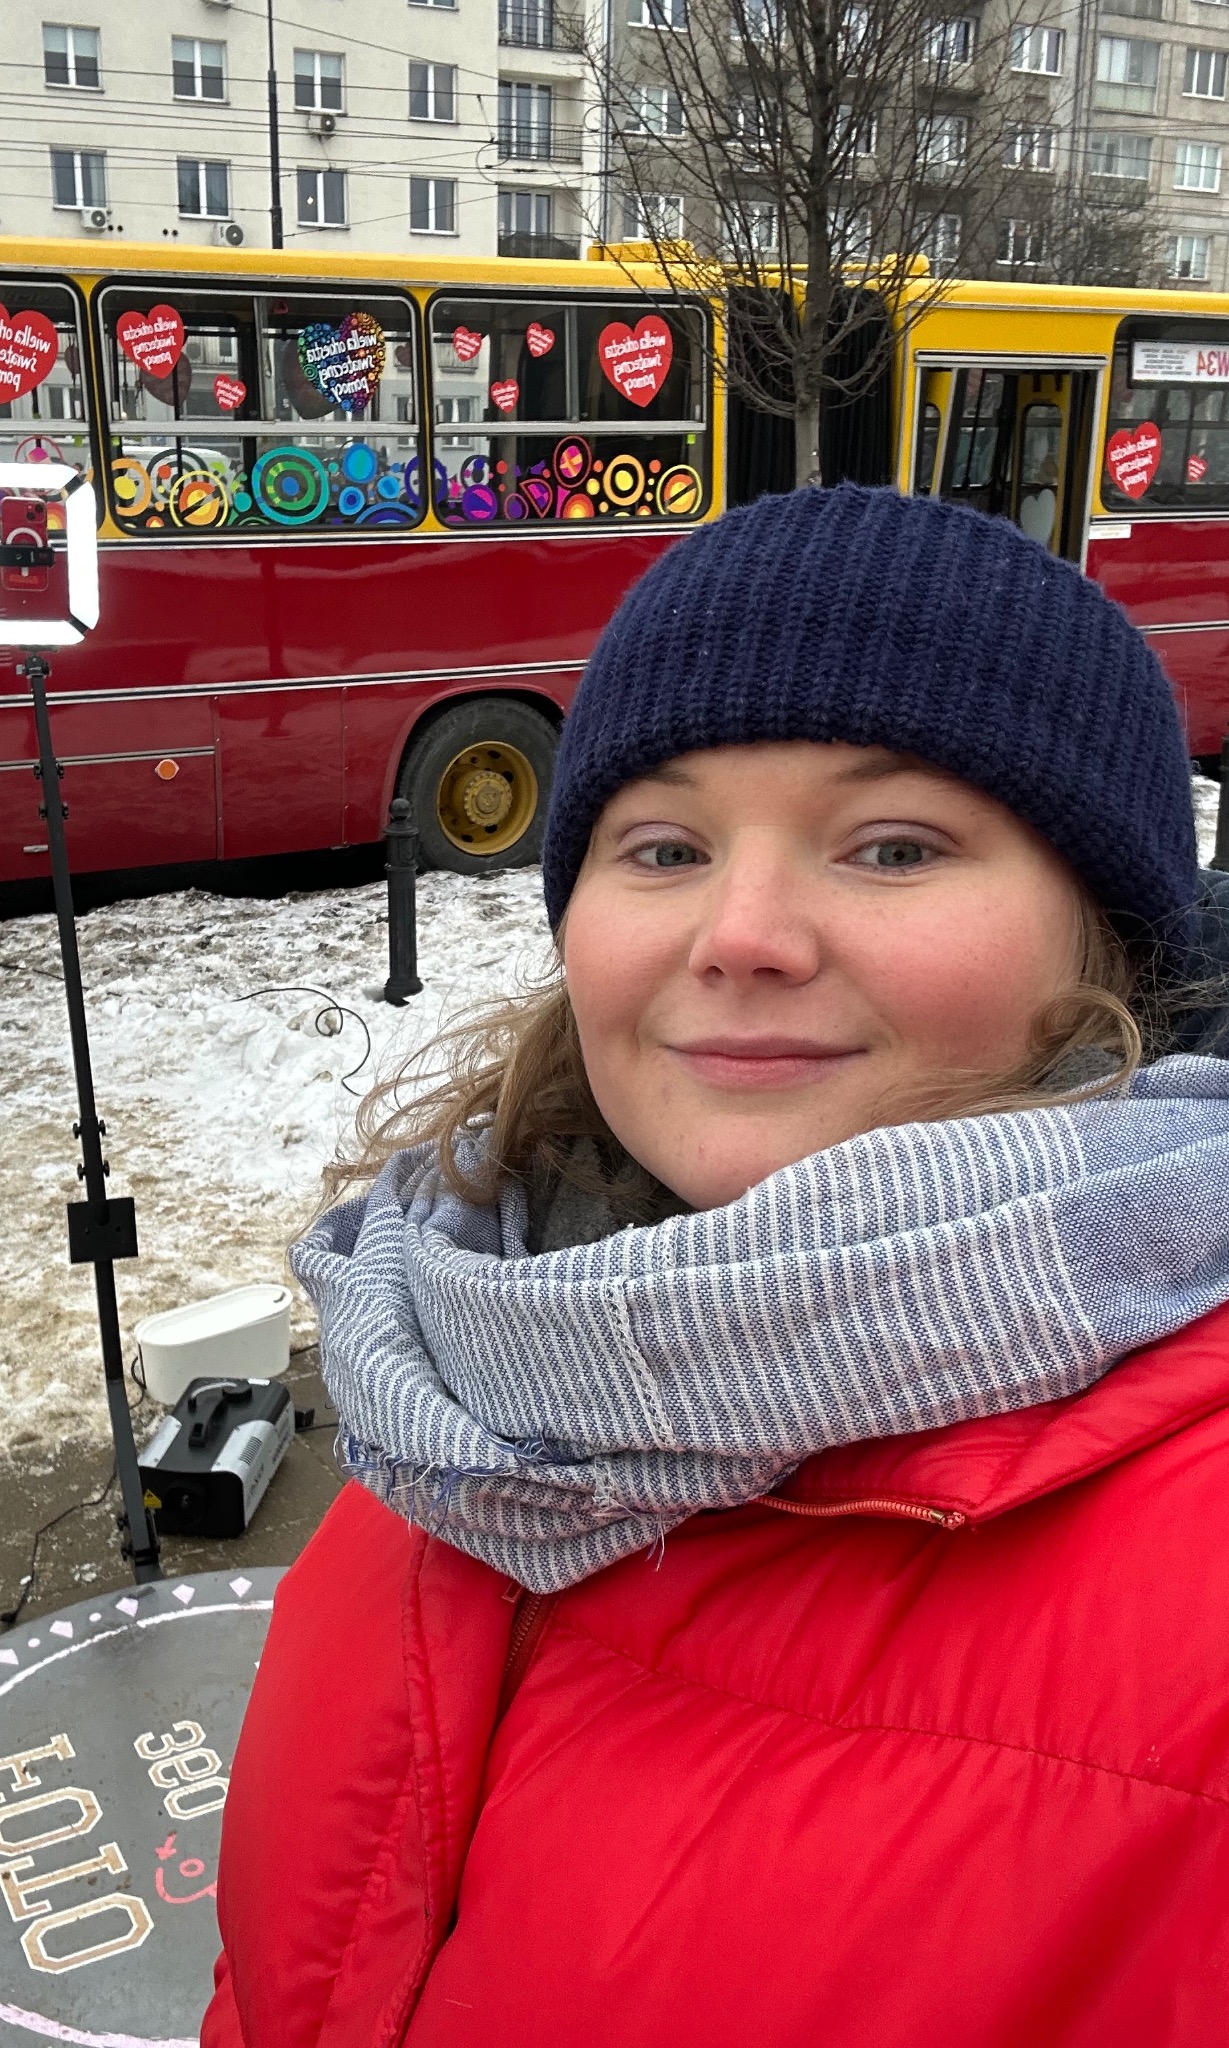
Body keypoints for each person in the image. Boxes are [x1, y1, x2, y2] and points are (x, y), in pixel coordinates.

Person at [201, 485, 1229, 2047]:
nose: (740, 933)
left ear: (1110, 946)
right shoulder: (470, 1352)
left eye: (890, 846)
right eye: (664, 844)